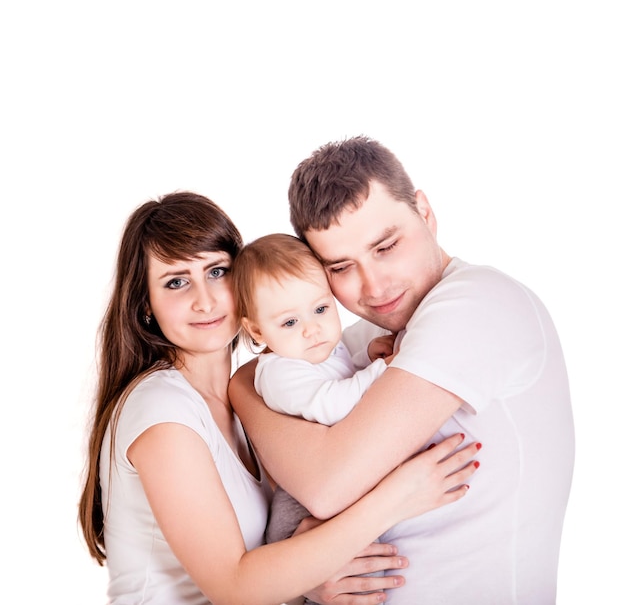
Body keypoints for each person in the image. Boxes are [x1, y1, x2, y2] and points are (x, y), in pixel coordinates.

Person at [77, 190, 481, 605]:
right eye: (176, 282)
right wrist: (398, 498)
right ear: (146, 305)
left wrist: (303, 577)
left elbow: (259, 570)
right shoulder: (161, 410)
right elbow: (234, 588)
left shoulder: (247, 398)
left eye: (217, 271)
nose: (205, 299)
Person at [229, 137, 576, 604]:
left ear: (425, 213)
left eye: (386, 246)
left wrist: (245, 385)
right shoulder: (352, 347)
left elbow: (326, 485)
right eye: (341, 266)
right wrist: (307, 567)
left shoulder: (478, 302)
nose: (374, 286)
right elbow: (294, 495)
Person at [231, 232, 396, 602]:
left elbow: (338, 375)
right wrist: (381, 372)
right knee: (344, 583)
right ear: (257, 331)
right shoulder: (278, 372)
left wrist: (366, 357)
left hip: (333, 489)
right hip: (299, 515)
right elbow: (331, 405)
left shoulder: (316, 350)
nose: (312, 328)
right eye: (289, 323)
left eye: (321, 309)